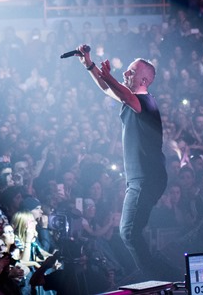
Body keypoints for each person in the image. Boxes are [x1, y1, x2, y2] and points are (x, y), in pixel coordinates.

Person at [76, 46, 169, 280]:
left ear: (144, 80)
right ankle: (163, 276)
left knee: (128, 232)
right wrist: (89, 65)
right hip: (143, 178)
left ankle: (160, 280)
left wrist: (109, 75)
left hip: (147, 178)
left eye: (131, 72)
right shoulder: (133, 100)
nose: (126, 73)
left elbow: (125, 94)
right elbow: (107, 88)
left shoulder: (146, 102)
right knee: (132, 232)